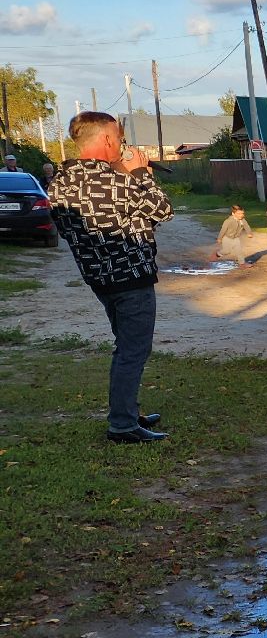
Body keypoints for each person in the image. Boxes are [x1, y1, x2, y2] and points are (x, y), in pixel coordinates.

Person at [46, 111, 174, 443]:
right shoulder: (118, 182)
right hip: (131, 278)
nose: (122, 143)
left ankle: (127, 412)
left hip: (99, 279)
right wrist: (143, 174)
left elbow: (71, 229)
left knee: (125, 346)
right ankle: (122, 425)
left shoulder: (60, 182)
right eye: (119, 137)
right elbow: (162, 210)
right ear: (106, 139)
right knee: (133, 350)